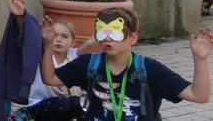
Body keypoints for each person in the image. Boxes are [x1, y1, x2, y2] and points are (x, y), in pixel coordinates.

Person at [35, 7, 212, 120]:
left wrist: (200, 59)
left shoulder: (149, 69)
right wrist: (48, 45)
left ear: (133, 37)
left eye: (115, 33)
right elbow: (50, 78)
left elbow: (199, 96)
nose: (107, 38)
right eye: (102, 33)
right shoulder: (88, 63)